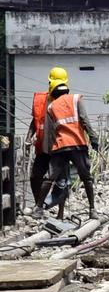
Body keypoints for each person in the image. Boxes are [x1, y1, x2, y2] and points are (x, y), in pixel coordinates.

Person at [40, 69, 100, 220]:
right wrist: (94, 139)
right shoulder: (76, 99)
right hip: (78, 144)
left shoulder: (50, 107)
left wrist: (51, 150)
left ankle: (38, 208)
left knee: (50, 178)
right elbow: (85, 121)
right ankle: (92, 210)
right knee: (86, 178)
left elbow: (52, 131)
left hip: (60, 146)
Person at [23, 80, 53, 209]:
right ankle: (38, 205)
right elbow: (34, 121)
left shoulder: (65, 102)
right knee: (35, 176)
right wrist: (29, 137)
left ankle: (60, 212)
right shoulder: (41, 100)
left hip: (60, 148)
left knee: (59, 179)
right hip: (42, 147)